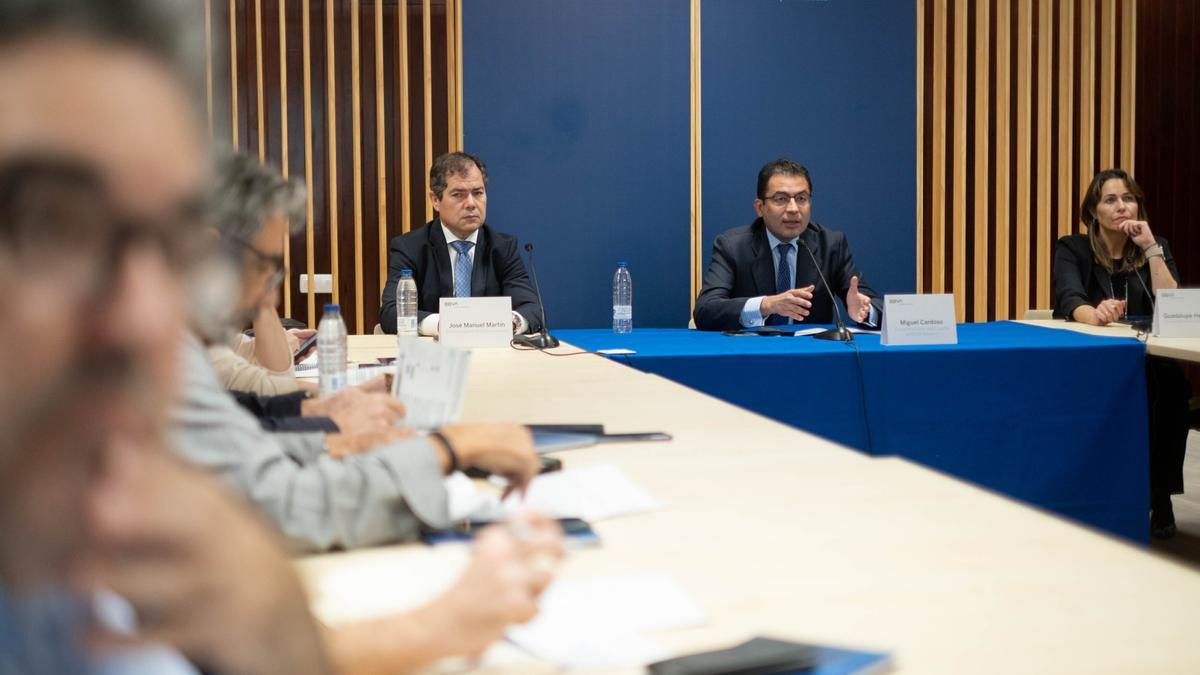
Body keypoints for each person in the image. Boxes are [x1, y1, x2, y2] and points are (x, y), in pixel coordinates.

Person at [0, 0, 332, 670]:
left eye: (172, 244)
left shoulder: (74, 576)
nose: (149, 320)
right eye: (55, 225)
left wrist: (286, 647)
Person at [1052, 168, 1190, 539]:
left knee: (1171, 387)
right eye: (1110, 199)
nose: (1122, 206)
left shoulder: (1153, 245)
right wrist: (1094, 315)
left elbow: (1173, 303)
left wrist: (1151, 249)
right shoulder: (1073, 248)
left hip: (1147, 356)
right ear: (1093, 210)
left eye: (1128, 198)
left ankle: (1160, 495)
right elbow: (1069, 299)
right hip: (1095, 357)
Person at [694, 158, 882, 331]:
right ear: (760, 207)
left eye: (801, 199)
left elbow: (874, 305)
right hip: (750, 353)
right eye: (781, 199)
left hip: (811, 354)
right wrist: (767, 305)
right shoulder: (733, 246)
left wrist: (866, 310)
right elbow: (706, 310)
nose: (793, 209)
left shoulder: (831, 244)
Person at [378, 152, 540, 336]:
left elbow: (533, 309)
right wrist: (449, 326)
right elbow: (391, 313)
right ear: (435, 200)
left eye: (478, 193)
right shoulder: (410, 248)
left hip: (492, 354)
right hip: (434, 356)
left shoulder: (502, 248)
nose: (471, 203)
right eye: (458, 195)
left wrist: (507, 323)